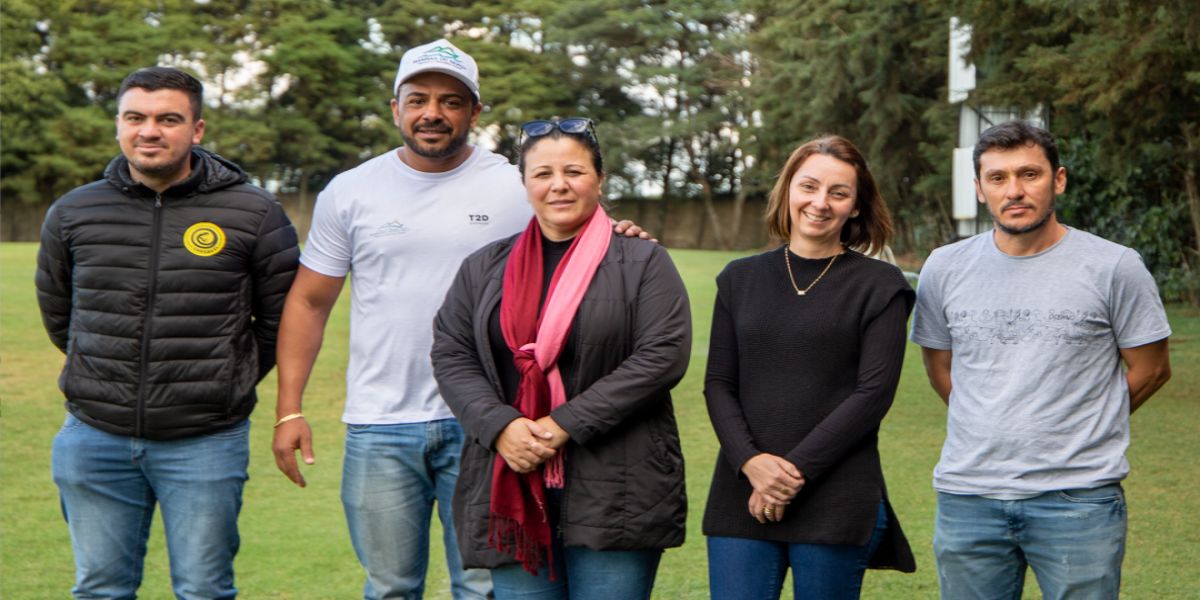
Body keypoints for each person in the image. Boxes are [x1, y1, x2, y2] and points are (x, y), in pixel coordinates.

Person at [272, 40, 650, 600]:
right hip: (380, 422)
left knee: (482, 589)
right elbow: (308, 302)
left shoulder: (514, 185)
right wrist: (290, 409)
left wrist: (625, 233)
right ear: (395, 106)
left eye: (451, 101)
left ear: (475, 113)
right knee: (390, 587)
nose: (432, 113)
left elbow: (588, 235)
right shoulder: (349, 192)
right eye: (418, 99)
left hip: (490, 421)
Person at [35, 66, 299, 599]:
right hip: (94, 435)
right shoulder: (74, 211)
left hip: (205, 440)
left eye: (167, 119)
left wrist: (225, 376)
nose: (149, 131)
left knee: (204, 589)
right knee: (100, 588)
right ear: (119, 125)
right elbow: (60, 313)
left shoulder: (254, 211)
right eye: (135, 117)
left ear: (197, 131)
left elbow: (278, 322)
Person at [429, 116, 691, 600]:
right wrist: (501, 426)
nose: (559, 186)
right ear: (525, 183)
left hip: (618, 485)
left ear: (600, 179)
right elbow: (452, 352)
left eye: (574, 171)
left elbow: (662, 356)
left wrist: (563, 424)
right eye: (543, 174)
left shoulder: (642, 261)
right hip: (512, 475)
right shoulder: (485, 266)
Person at [910, 120, 1173, 599]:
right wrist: (992, 421)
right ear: (979, 188)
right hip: (969, 498)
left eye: (1029, 174)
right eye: (998, 178)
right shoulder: (943, 268)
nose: (1014, 190)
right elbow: (941, 371)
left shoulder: (1114, 266)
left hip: (1079, 500)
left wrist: (1078, 425)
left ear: (1059, 180)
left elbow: (1152, 368)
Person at [702, 135, 917, 600]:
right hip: (742, 490)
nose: (820, 203)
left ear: (856, 207)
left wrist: (788, 474)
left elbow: (873, 395)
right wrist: (753, 464)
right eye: (809, 187)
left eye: (838, 193)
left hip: (835, 493)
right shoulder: (739, 278)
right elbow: (719, 384)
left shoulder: (880, 286)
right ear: (788, 191)